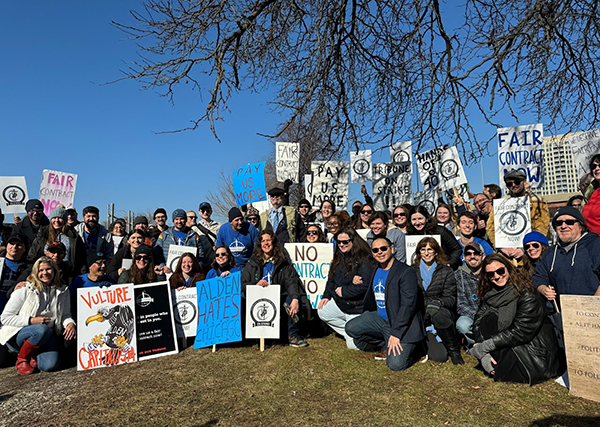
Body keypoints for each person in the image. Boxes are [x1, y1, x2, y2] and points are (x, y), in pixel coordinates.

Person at [471, 254, 562, 384]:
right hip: (508, 341)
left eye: (500, 271)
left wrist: (484, 346)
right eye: (491, 274)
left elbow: (521, 331)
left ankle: (497, 358)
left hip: (532, 351)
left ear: (508, 268)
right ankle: (492, 357)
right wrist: (483, 350)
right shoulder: (491, 293)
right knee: (488, 318)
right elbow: (478, 321)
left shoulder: (528, 294)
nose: (496, 276)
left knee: (505, 373)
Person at [345, 237, 425, 371]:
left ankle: (415, 349)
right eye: (375, 250)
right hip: (381, 319)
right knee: (351, 328)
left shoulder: (405, 271)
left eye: (383, 248)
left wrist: (396, 333)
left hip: (401, 324)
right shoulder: (375, 269)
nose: (379, 252)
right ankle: (385, 344)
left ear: (392, 249)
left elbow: (408, 305)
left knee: (395, 365)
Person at [0, 256, 76, 374]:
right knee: (41, 329)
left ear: (55, 271)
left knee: (50, 366)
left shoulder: (63, 290)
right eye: (41, 270)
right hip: (21, 332)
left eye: (48, 269)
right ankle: (22, 359)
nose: (45, 273)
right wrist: (31, 321)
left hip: (48, 335)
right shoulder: (25, 288)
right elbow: (5, 317)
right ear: (36, 272)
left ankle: (33, 355)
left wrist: (70, 323)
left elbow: (66, 314)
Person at [241, 230, 308, 347]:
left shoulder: (282, 261)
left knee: (291, 300)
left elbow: (290, 281)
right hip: (258, 298)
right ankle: (258, 337)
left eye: (268, 240)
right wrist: (255, 285)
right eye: (263, 241)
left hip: (278, 297)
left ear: (273, 242)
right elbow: (243, 283)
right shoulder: (252, 262)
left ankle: (292, 335)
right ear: (259, 244)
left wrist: (295, 298)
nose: (266, 243)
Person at [317, 228, 376, 348]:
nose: (342, 245)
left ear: (353, 241)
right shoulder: (339, 256)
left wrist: (345, 291)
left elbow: (366, 285)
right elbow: (331, 279)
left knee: (353, 346)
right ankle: (350, 332)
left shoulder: (365, 259)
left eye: (345, 242)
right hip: (341, 303)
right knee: (323, 310)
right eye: (339, 242)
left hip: (357, 307)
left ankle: (361, 336)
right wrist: (326, 296)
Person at [411, 237, 464, 364]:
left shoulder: (446, 271)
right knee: (438, 356)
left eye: (430, 249)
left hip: (440, 314)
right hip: (421, 316)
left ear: (436, 252)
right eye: (423, 249)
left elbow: (451, 298)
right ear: (419, 252)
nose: (426, 252)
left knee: (441, 356)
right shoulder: (412, 270)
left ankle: (454, 350)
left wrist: (438, 303)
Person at [532, 206, 600, 304]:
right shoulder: (551, 253)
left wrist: (595, 304)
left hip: (593, 313)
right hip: (564, 313)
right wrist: (544, 289)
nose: (563, 226)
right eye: (559, 223)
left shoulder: (594, 245)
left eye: (569, 222)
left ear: (580, 226)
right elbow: (538, 277)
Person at [486, 170, 550, 253]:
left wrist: (525, 248)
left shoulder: (537, 201)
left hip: (530, 253)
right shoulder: (500, 204)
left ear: (524, 182)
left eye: (517, 182)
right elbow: (490, 227)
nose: (513, 185)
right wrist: (501, 247)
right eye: (509, 184)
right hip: (506, 256)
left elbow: (542, 228)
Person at [28, 206, 86, 273]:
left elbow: (81, 258)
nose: (57, 220)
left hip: (67, 273)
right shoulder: (43, 234)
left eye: (60, 218)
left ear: (65, 220)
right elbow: (33, 255)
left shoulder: (73, 235)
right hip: (46, 273)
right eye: (54, 218)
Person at [406, 205, 463, 270]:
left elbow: (457, 249)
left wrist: (449, 263)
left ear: (427, 219)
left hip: (442, 270)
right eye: (414, 219)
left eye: (420, 219)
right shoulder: (410, 234)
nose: (417, 222)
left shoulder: (440, 231)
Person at [454, 242, 485, 347]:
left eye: (476, 253)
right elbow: (460, 304)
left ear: (483, 256)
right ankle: (473, 345)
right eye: (468, 253)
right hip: (470, 315)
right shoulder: (457, 276)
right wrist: (478, 316)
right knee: (462, 325)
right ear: (464, 257)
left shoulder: (490, 272)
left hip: (491, 313)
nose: (472, 256)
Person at [582, 154, 600, 235]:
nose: (597, 168)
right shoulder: (591, 192)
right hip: (592, 242)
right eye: (593, 166)